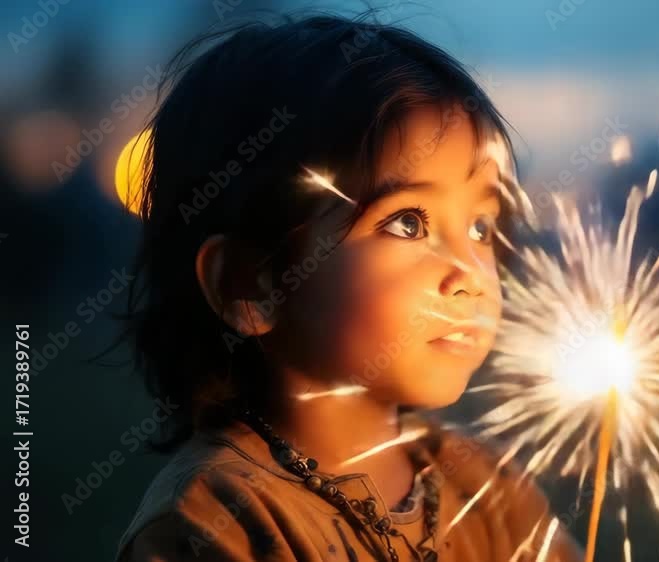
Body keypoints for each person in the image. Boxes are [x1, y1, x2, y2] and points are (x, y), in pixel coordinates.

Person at [113, 12, 582, 562]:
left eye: (481, 227)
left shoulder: (489, 491)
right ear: (251, 282)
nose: (471, 275)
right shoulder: (219, 522)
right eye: (408, 222)